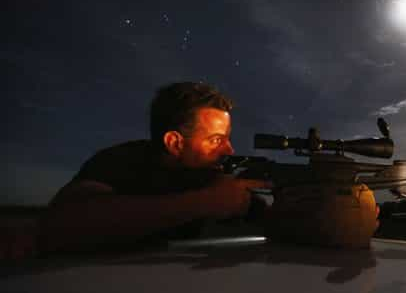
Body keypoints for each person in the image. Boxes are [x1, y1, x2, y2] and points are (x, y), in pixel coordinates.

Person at [38, 82, 269, 253]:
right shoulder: (123, 160)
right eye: (216, 140)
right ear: (174, 142)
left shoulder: (214, 177)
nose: (229, 150)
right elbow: (63, 222)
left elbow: (274, 219)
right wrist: (207, 202)